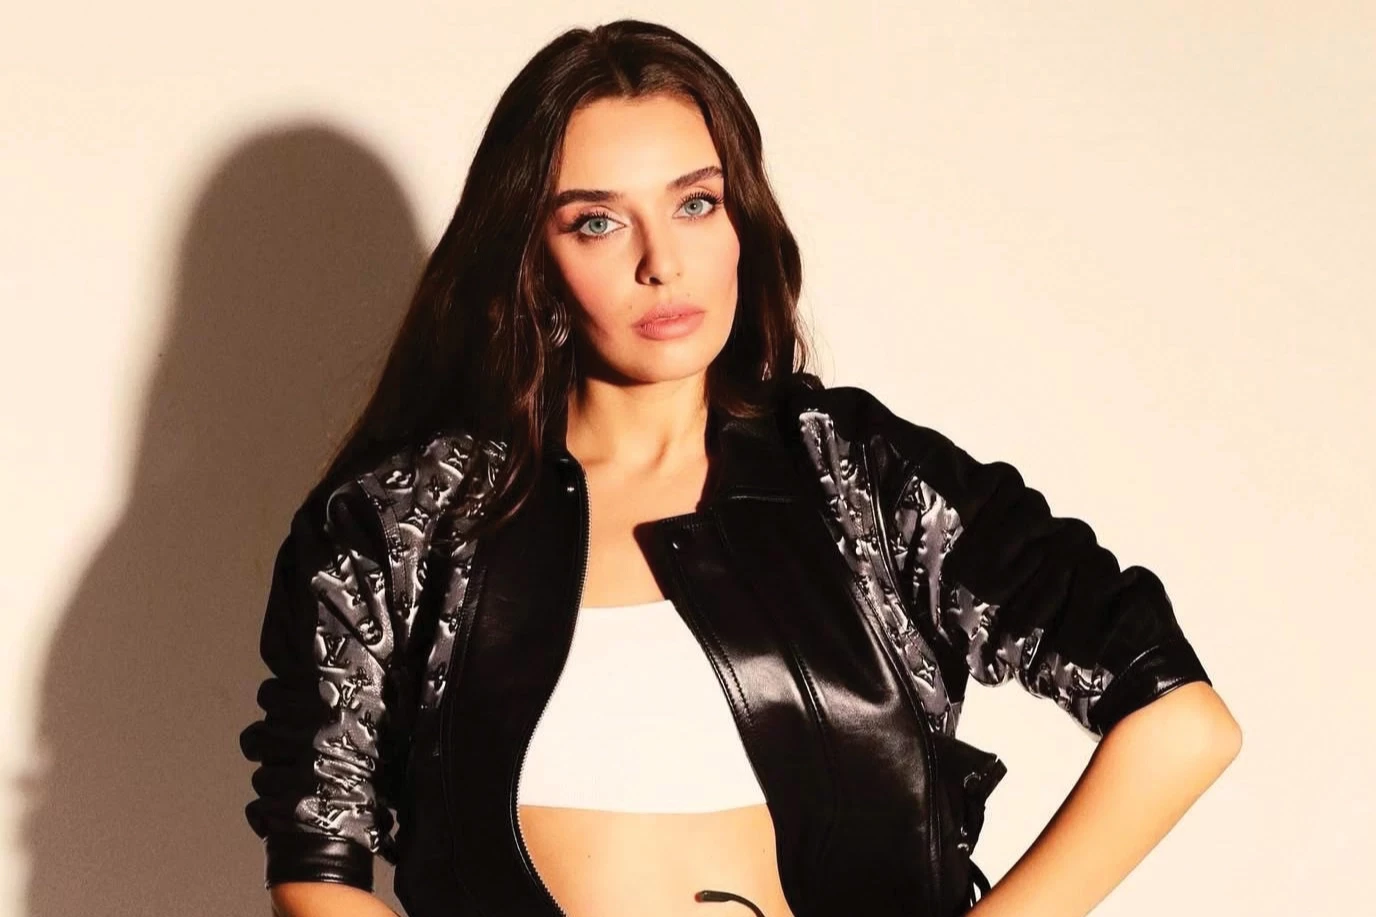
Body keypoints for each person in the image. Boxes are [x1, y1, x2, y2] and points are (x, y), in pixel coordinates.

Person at [237, 19, 1241, 917]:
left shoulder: (859, 482)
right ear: (531, 258)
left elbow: (1179, 717)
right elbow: (318, 860)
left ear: (739, 221)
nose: (660, 262)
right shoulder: (406, 521)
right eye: (597, 220)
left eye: (694, 203)